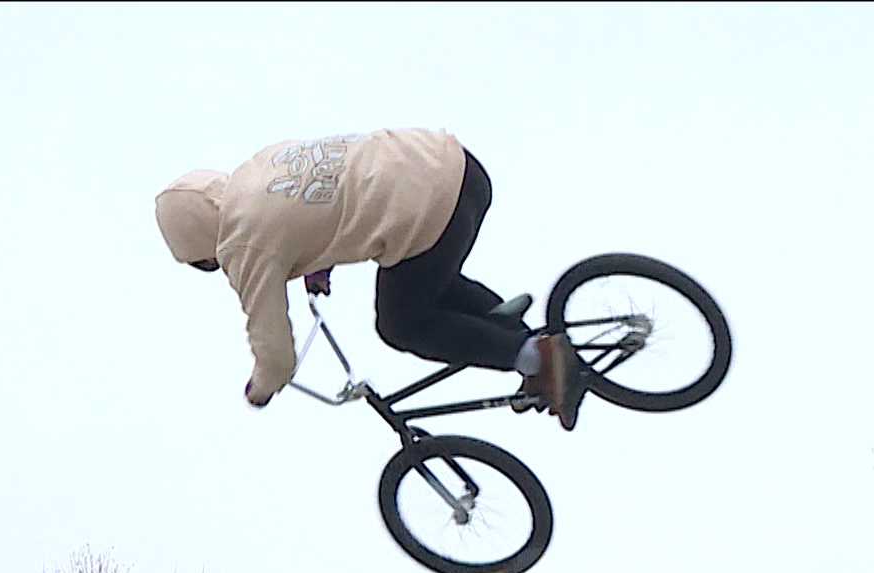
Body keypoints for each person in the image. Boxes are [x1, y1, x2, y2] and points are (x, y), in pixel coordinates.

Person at [154, 128, 586, 430]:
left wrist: (262, 389)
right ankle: (528, 340)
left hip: (423, 211)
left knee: (402, 323)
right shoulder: (259, 167)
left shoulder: (238, 242)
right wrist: (316, 263)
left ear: (201, 245)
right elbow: (324, 193)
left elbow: (273, 344)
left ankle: (536, 357)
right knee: (422, 281)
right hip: (455, 165)